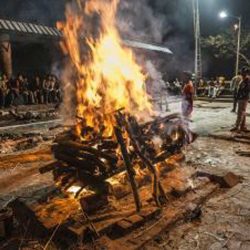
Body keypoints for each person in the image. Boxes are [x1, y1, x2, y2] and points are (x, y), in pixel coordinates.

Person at [231, 67, 250, 132]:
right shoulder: (243, 79)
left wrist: (241, 95)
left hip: (243, 98)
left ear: (246, 73)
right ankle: (243, 126)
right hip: (241, 97)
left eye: (243, 72)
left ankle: (237, 126)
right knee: (243, 112)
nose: (241, 73)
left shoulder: (247, 80)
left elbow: (246, 90)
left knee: (240, 112)